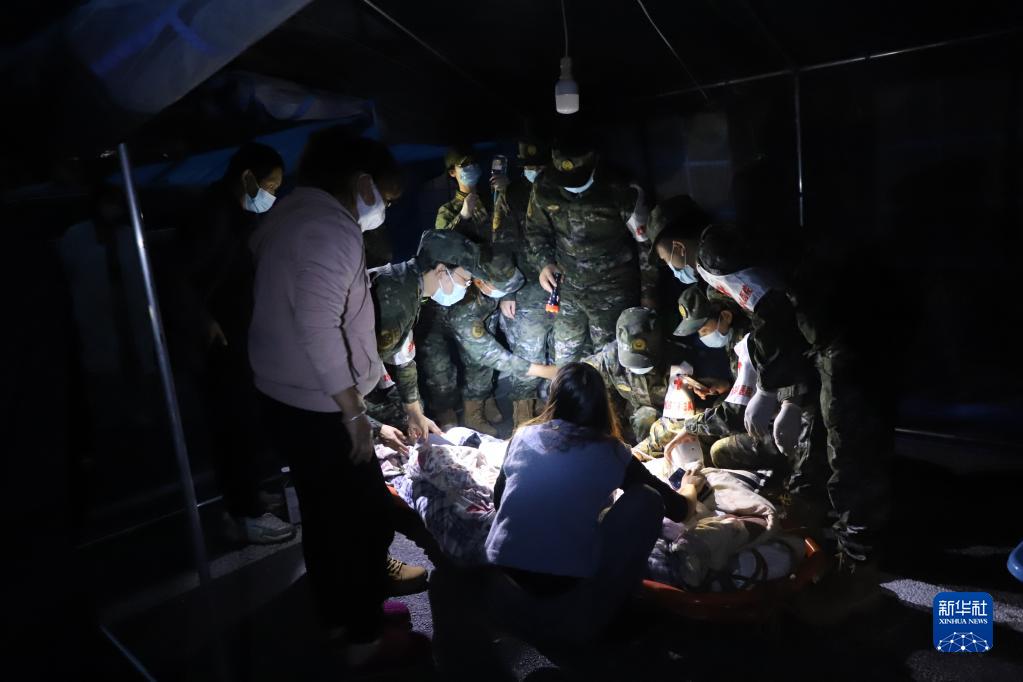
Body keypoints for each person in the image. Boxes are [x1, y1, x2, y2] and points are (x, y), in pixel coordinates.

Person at [247, 127, 429, 669]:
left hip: (285, 392)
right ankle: (364, 637)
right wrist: (354, 413)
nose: (384, 210)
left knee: (325, 514)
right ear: (363, 183)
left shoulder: (291, 212)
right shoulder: (330, 229)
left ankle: (338, 612)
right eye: (386, 198)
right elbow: (318, 325)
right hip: (316, 402)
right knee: (362, 517)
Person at [429, 363, 705, 678]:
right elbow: (679, 509)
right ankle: (600, 622)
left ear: (555, 399)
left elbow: (499, 499)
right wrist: (690, 486)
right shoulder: (612, 451)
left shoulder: (523, 435)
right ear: (601, 404)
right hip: (567, 609)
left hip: (500, 587)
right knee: (647, 500)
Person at [695, 221, 890, 618]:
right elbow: (790, 338)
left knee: (851, 455)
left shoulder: (778, 283)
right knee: (828, 439)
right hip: (836, 342)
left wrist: (772, 393)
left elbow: (778, 323)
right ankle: (815, 526)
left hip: (851, 346)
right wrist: (788, 398)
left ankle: (860, 573)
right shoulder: (786, 268)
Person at [169, 142, 295, 544]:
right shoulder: (212, 215)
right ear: (247, 177)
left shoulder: (234, 213)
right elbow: (180, 276)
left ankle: (247, 495)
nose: (272, 194)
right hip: (218, 343)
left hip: (237, 335)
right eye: (270, 186)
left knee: (245, 422)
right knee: (233, 425)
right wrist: (203, 320)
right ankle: (246, 512)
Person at [523, 135, 650, 364]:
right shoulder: (544, 185)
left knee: (609, 360)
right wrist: (544, 263)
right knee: (565, 359)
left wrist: (649, 295)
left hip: (611, 290)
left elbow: (646, 245)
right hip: (567, 288)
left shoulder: (621, 189)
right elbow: (536, 230)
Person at [368, 229, 482, 438]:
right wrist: (374, 427)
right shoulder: (398, 299)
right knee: (399, 428)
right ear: (441, 270)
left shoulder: (409, 284)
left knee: (413, 413)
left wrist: (414, 411)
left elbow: (403, 357)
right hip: (334, 389)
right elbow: (347, 375)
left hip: (365, 374)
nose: (466, 287)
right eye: (465, 280)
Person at [658, 285, 785, 471]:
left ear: (725, 316)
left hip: (782, 423)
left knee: (719, 451)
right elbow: (752, 383)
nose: (702, 336)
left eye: (703, 329)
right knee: (716, 408)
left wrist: (690, 426)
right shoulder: (735, 336)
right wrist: (726, 385)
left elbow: (735, 413)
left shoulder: (749, 340)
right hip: (765, 411)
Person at [418, 145, 501, 426]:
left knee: (480, 356)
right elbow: (441, 247)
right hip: (453, 295)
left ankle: (480, 402)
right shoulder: (448, 210)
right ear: (452, 173)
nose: (470, 169)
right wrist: (463, 216)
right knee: (440, 363)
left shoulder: (493, 200)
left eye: (473, 163)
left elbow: (502, 243)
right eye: (463, 165)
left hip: (483, 294)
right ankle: (448, 413)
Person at [445, 250, 559, 434]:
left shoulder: (490, 268)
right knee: (473, 364)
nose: (505, 292)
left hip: (483, 310)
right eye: (503, 290)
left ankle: (488, 398)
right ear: (481, 282)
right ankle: (472, 412)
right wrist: (543, 371)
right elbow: (491, 355)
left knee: (488, 365)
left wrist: (507, 296)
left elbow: (505, 282)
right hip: (447, 322)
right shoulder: (462, 311)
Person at [494, 136, 556, 426]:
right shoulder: (512, 195)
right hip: (524, 287)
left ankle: (552, 411)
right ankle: (523, 416)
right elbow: (501, 244)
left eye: (538, 167)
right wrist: (506, 292)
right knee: (528, 351)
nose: (533, 172)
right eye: (529, 167)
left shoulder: (559, 190)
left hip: (560, 286)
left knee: (560, 351)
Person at [581, 307, 688, 444]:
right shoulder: (610, 357)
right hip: (630, 416)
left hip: (670, 419)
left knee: (646, 416)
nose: (637, 369)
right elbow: (580, 374)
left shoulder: (678, 358)